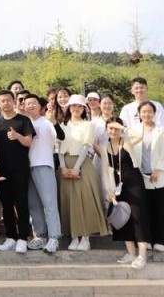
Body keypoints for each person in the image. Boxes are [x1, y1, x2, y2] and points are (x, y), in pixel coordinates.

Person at [98, 118, 151, 270]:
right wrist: (109, 191)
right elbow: (105, 171)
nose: (113, 131)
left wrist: (123, 128)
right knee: (123, 218)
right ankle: (131, 253)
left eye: (116, 128)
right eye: (110, 128)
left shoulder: (127, 141)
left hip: (134, 183)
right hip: (118, 186)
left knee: (138, 217)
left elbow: (139, 135)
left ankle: (142, 255)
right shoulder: (104, 146)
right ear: (106, 129)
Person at [58, 94, 108, 251]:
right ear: (69, 108)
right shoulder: (63, 126)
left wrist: (76, 167)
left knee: (85, 200)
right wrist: (63, 167)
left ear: (84, 109)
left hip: (82, 164)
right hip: (65, 164)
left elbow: (86, 146)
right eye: (73, 106)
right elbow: (58, 148)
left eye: (80, 106)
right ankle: (74, 236)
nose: (76, 109)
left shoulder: (88, 125)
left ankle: (85, 237)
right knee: (69, 201)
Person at [0, 90, 35, 254]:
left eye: (9, 100)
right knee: (7, 204)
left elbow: (29, 142)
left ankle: (23, 238)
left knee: (21, 203)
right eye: (3, 100)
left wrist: (17, 136)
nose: (6, 103)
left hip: (20, 168)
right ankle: (10, 237)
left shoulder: (23, 120)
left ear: (14, 101)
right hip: (3, 169)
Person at [24, 94, 63, 253]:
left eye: (33, 103)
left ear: (41, 106)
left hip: (43, 165)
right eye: (27, 103)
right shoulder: (24, 123)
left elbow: (61, 136)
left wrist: (54, 121)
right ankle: (40, 236)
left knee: (49, 204)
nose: (30, 106)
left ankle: (54, 237)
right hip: (27, 167)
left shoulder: (46, 122)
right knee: (33, 205)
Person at [123, 102, 164, 253]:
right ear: (139, 114)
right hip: (139, 176)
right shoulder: (133, 130)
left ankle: (160, 240)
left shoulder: (161, 130)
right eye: (144, 112)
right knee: (144, 210)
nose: (147, 114)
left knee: (159, 208)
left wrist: (158, 169)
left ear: (154, 113)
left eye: (150, 111)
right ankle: (147, 240)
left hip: (158, 175)